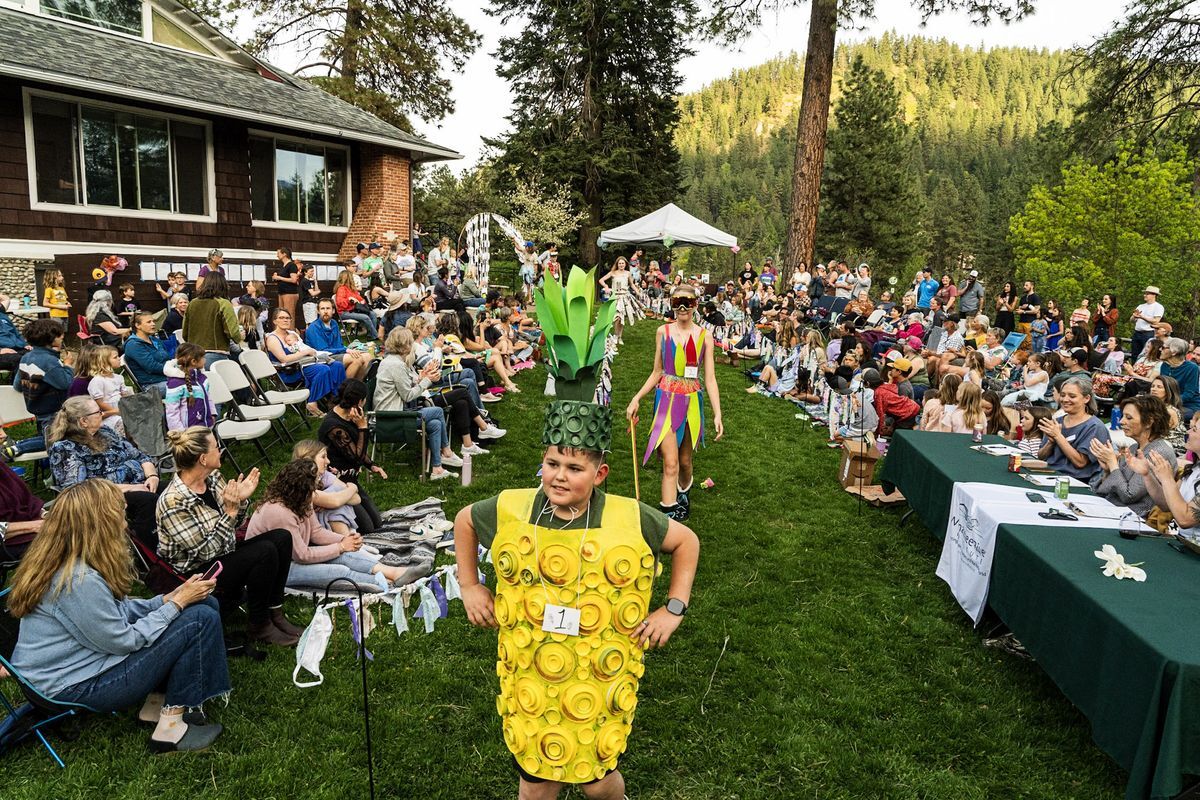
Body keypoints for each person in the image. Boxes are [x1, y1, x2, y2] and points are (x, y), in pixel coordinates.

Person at [453, 272, 700, 800]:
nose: (560, 476)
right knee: (536, 784)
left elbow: (687, 542)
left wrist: (673, 608)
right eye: (552, 463)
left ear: (601, 474)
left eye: (574, 467)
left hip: (599, 680)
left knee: (596, 783)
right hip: (533, 684)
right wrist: (470, 585)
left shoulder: (633, 516)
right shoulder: (515, 507)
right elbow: (466, 521)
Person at [7, 479, 228, 753]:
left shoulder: (67, 559)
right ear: (100, 523)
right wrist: (177, 605)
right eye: (120, 515)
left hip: (67, 670)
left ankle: (156, 705)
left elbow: (115, 613)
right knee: (198, 619)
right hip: (72, 686)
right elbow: (123, 641)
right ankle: (169, 730)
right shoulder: (78, 580)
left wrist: (168, 598)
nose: (125, 524)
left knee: (205, 606)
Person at [156, 426, 299, 646]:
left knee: (281, 538)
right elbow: (205, 551)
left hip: (223, 553)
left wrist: (240, 502)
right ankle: (259, 624)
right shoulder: (173, 501)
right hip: (197, 572)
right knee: (264, 552)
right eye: (216, 446)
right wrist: (231, 512)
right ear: (203, 458)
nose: (220, 450)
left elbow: (237, 522)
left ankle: (274, 610)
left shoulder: (212, 478)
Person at [627, 284, 723, 521]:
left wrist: (717, 414)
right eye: (677, 302)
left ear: (695, 305)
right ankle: (668, 517)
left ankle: (683, 493)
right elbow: (657, 371)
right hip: (666, 400)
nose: (682, 307)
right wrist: (636, 398)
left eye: (688, 302)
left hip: (691, 401)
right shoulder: (663, 332)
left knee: (684, 461)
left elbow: (710, 378)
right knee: (670, 463)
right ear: (671, 304)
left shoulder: (704, 336)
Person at [246, 459, 412, 591]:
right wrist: (340, 546)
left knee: (344, 555)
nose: (317, 488)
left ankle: (394, 572)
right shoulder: (279, 512)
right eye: (314, 484)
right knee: (338, 570)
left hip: (294, 556)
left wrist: (346, 540)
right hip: (275, 569)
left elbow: (316, 532)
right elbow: (302, 555)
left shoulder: (301, 499)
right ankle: (387, 583)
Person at [47, 396, 160, 546]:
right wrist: (131, 488)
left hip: (140, 483)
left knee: (174, 489)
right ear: (83, 421)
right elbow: (80, 488)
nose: (102, 414)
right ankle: (149, 554)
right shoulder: (65, 448)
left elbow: (140, 456)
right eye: (98, 412)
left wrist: (152, 476)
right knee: (147, 501)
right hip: (103, 496)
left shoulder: (106, 432)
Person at [373, 327, 473, 480]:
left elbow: (405, 384)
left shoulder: (392, 361)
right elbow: (407, 395)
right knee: (437, 411)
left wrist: (422, 376)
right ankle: (446, 451)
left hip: (394, 411)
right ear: (405, 345)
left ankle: (436, 469)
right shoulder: (396, 365)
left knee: (435, 424)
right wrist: (427, 381)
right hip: (392, 416)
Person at [317, 380, 387, 534]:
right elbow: (355, 456)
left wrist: (371, 465)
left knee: (377, 522)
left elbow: (357, 451)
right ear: (359, 401)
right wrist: (363, 428)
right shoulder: (334, 426)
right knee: (367, 528)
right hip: (337, 484)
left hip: (351, 479)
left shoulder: (352, 416)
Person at [1091, 395, 1176, 516]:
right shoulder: (1134, 448)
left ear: (1149, 422)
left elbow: (1128, 495)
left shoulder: (1158, 453)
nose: (1121, 421)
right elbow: (1104, 490)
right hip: (1111, 510)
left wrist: (1113, 465)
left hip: (1133, 518)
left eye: (1129, 418)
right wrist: (1107, 471)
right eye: (1123, 416)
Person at [265, 308, 347, 416]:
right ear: (275, 321)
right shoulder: (272, 338)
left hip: (305, 363)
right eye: (281, 318)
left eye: (288, 318)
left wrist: (312, 353)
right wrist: (306, 352)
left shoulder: (292, 333)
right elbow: (283, 359)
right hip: (290, 371)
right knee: (323, 369)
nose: (285, 320)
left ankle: (335, 400)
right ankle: (312, 402)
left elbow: (302, 347)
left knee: (337, 366)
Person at [1038, 376, 1110, 483]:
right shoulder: (1057, 421)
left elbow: (1080, 463)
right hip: (1048, 474)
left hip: (1075, 481)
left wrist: (1058, 437)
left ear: (1086, 398)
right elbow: (1041, 456)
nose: (1065, 399)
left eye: (1072, 396)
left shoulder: (1094, 426)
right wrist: (1050, 442)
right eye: (1062, 395)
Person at [182, 273, 242, 369]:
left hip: (193, 355)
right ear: (222, 286)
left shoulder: (192, 303)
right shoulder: (224, 304)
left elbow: (185, 333)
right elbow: (232, 332)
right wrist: (240, 338)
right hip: (215, 355)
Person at [303, 299, 373, 381]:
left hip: (336, 354)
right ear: (318, 311)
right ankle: (344, 389)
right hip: (322, 357)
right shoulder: (313, 328)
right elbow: (323, 350)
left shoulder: (334, 323)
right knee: (357, 359)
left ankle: (357, 386)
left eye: (328, 308)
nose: (325, 311)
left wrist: (351, 350)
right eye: (322, 309)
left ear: (333, 311)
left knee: (367, 356)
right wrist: (347, 350)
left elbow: (339, 345)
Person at [164, 343, 216, 431]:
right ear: (194, 362)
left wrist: (213, 414)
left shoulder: (202, 378)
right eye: (203, 357)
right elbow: (172, 411)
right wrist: (180, 433)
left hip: (206, 427)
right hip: (188, 433)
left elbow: (208, 398)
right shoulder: (175, 383)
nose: (205, 360)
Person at [599, 256, 645, 345]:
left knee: (622, 318)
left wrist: (638, 292)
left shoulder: (628, 273)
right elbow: (601, 280)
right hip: (615, 297)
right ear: (617, 264)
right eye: (619, 263)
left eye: (623, 263)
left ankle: (619, 337)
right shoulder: (613, 273)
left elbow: (631, 284)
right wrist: (606, 287)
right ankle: (616, 335)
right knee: (617, 318)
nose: (621, 265)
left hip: (625, 297)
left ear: (625, 264)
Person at [124, 311, 169, 393]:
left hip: (165, 377)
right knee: (184, 386)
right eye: (149, 322)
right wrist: (172, 370)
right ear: (138, 325)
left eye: (153, 321)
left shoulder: (154, 339)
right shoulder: (133, 344)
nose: (153, 324)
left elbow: (167, 358)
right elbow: (151, 367)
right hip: (150, 385)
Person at [1157, 337, 1200, 418]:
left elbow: (1189, 394)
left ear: (1174, 352)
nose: (1160, 349)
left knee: (1163, 415)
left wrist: (1169, 403)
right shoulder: (1164, 365)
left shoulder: (1192, 368)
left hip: (1188, 405)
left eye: (1163, 348)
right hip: (1168, 403)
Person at [333, 269, 382, 339]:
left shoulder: (351, 288)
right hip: (344, 313)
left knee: (373, 314)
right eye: (351, 277)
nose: (353, 278)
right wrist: (349, 300)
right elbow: (340, 303)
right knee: (365, 317)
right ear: (348, 278)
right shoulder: (341, 289)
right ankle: (376, 335)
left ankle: (370, 335)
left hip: (353, 310)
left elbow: (360, 298)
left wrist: (362, 301)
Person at [1130, 286, 1164, 361]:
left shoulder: (1158, 307)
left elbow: (1156, 321)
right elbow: (1131, 319)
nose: (1145, 295)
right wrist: (1134, 316)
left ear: (1154, 295)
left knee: (1146, 354)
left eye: (1147, 294)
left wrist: (1142, 317)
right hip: (1137, 333)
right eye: (1145, 293)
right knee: (1134, 354)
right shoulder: (1141, 306)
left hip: (1148, 333)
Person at [271, 247, 301, 328]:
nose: (277, 255)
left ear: (284, 254)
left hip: (289, 293)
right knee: (281, 314)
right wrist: (276, 277)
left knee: (289, 314)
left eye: (278, 253)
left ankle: (290, 334)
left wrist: (279, 278)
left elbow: (294, 279)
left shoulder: (291, 265)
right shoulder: (284, 266)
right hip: (282, 292)